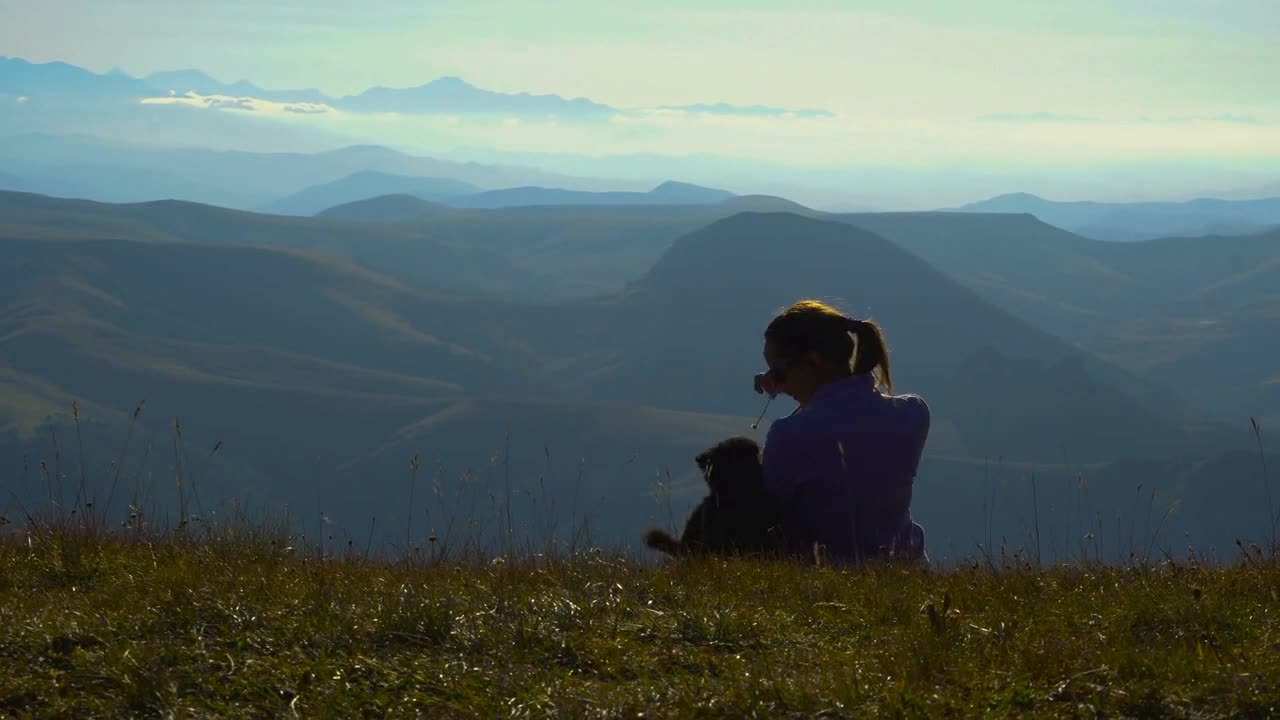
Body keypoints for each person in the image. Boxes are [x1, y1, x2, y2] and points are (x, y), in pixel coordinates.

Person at [752, 299, 930, 566]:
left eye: (778, 372)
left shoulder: (788, 435)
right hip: (907, 577)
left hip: (824, 583)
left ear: (813, 362)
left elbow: (769, 517)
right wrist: (789, 381)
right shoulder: (912, 415)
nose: (778, 381)